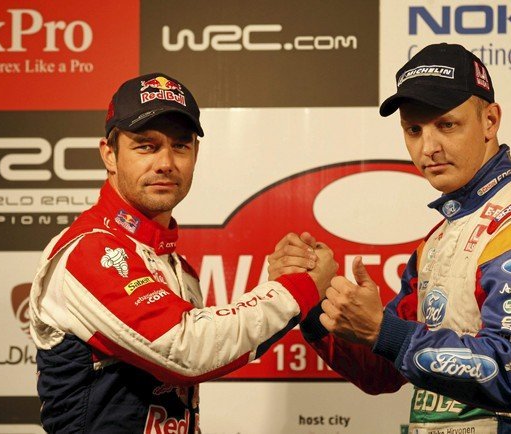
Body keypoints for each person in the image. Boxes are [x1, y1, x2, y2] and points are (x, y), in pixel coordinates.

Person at [271, 43, 511, 433]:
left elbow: (510, 374)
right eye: (414, 130)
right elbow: (381, 372)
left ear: (490, 121)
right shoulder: (439, 240)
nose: (428, 148)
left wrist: (383, 330)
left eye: (446, 125)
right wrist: (314, 300)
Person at [28, 72, 337, 433]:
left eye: (180, 146)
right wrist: (296, 289)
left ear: (195, 154)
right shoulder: (90, 249)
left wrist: (282, 286)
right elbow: (186, 351)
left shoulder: (178, 267)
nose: (165, 163)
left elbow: (208, 358)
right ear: (110, 155)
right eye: (146, 146)